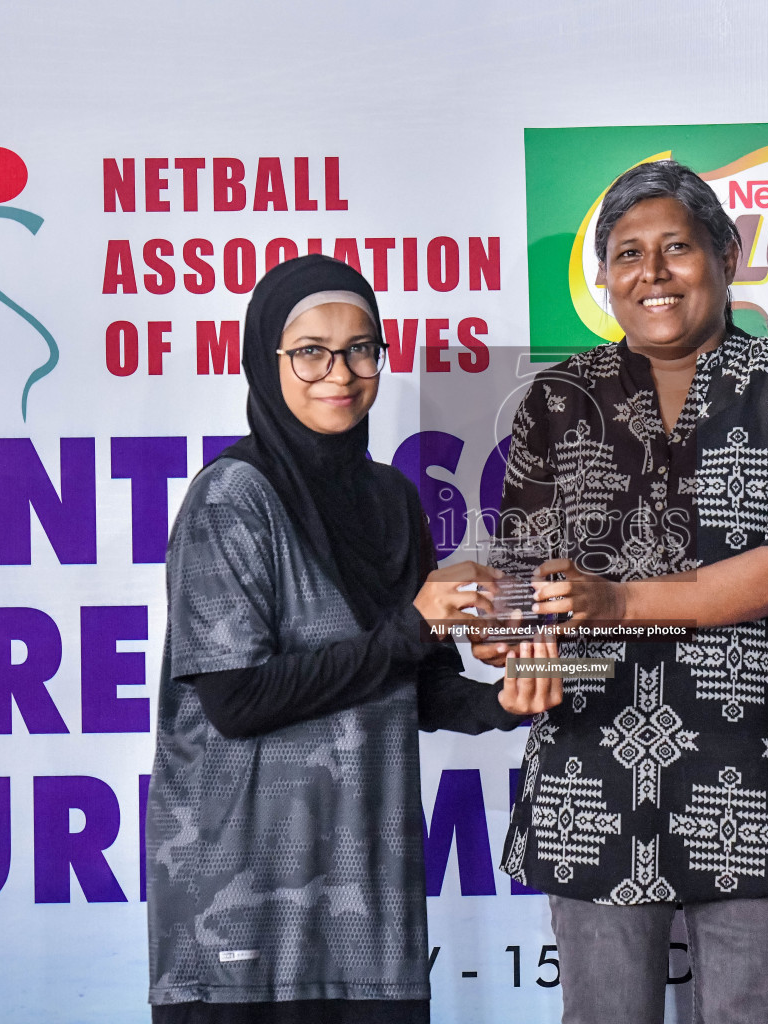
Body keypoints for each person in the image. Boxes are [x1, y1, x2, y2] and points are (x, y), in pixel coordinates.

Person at [482, 160, 768, 1024]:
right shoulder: (556, 399)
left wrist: (616, 602)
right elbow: (519, 581)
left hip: (753, 767)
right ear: (604, 279)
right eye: (626, 255)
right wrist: (504, 642)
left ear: (727, 255)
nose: (650, 274)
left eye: (676, 248)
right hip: (590, 771)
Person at [145, 254, 562, 1024]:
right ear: (266, 360)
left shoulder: (391, 499)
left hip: (369, 909)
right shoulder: (232, 499)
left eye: (361, 347)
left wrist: (502, 701)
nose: (339, 371)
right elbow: (237, 702)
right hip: (242, 911)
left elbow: (420, 683)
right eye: (310, 350)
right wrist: (414, 625)